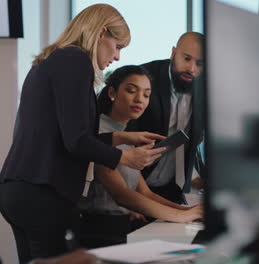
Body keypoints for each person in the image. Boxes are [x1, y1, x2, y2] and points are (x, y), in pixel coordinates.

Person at [0, 4, 164, 263]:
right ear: (101, 33)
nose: (118, 57)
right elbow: (77, 142)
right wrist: (124, 158)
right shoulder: (75, 60)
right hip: (44, 193)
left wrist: (121, 138)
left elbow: (67, 138)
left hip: (22, 190)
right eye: (118, 46)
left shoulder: (54, 59)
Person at [79, 65, 203, 249]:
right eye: (131, 90)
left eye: (146, 95)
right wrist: (181, 216)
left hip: (121, 230)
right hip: (97, 233)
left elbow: (145, 193)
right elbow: (122, 195)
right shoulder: (100, 133)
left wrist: (188, 211)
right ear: (112, 92)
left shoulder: (127, 137)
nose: (140, 99)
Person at [130, 32, 205, 204]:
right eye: (186, 59)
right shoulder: (144, 78)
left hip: (174, 190)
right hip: (135, 187)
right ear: (173, 53)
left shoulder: (206, 89)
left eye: (199, 63)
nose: (191, 68)